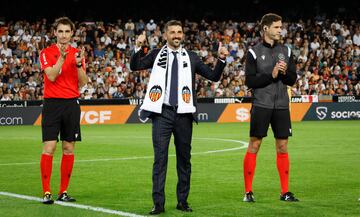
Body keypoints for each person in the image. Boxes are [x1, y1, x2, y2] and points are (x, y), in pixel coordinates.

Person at [130, 20, 229, 215]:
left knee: (184, 160)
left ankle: (182, 201)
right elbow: (136, 66)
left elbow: (213, 76)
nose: (176, 35)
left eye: (179, 32)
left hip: (184, 114)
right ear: (165, 35)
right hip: (162, 113)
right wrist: (137, 46)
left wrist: (222, 60)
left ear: (183, 35)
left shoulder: (191, 57)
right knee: (160, 159)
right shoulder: (157, 54)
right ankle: (158, 204)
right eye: (172, 32)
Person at [242, 13, 299, 202]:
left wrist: (283, 74)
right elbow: (250, 81)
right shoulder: (253, 52)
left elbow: (292, 79)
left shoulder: (287, 51)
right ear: (266, 28)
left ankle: (285, 192)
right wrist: (272, 74)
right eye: (276, 27)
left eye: (280, 27)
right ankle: (248, 192)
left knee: (282, 146)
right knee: (255, 144)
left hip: (282, 105)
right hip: (261, 104)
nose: (280, 30)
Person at [39, 17, 88, 204]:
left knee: (68, 148)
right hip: (52, 104)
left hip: (71, 104)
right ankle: (46, 192)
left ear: (72, 34)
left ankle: (63, 191)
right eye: (60, 31)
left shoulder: (78, 54)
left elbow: (83, 82)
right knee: (49, 148)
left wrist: (77, 64)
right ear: (55, 33)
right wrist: (62, 57)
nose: (64, 35)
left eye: (67, 31)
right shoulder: (46, 52)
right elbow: (51, 76)